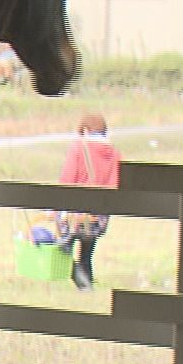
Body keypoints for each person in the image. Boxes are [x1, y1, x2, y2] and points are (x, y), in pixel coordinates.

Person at [54, 112, 120, 290]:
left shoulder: (79, 148)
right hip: (99, 214)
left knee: (63, 248)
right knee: (87, 254)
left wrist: (56, 208)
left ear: (84, 130)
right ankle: (87, 285)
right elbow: (116, 184)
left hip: (75, 214)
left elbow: (67, 179)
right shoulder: (114, 153)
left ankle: (84, 285)